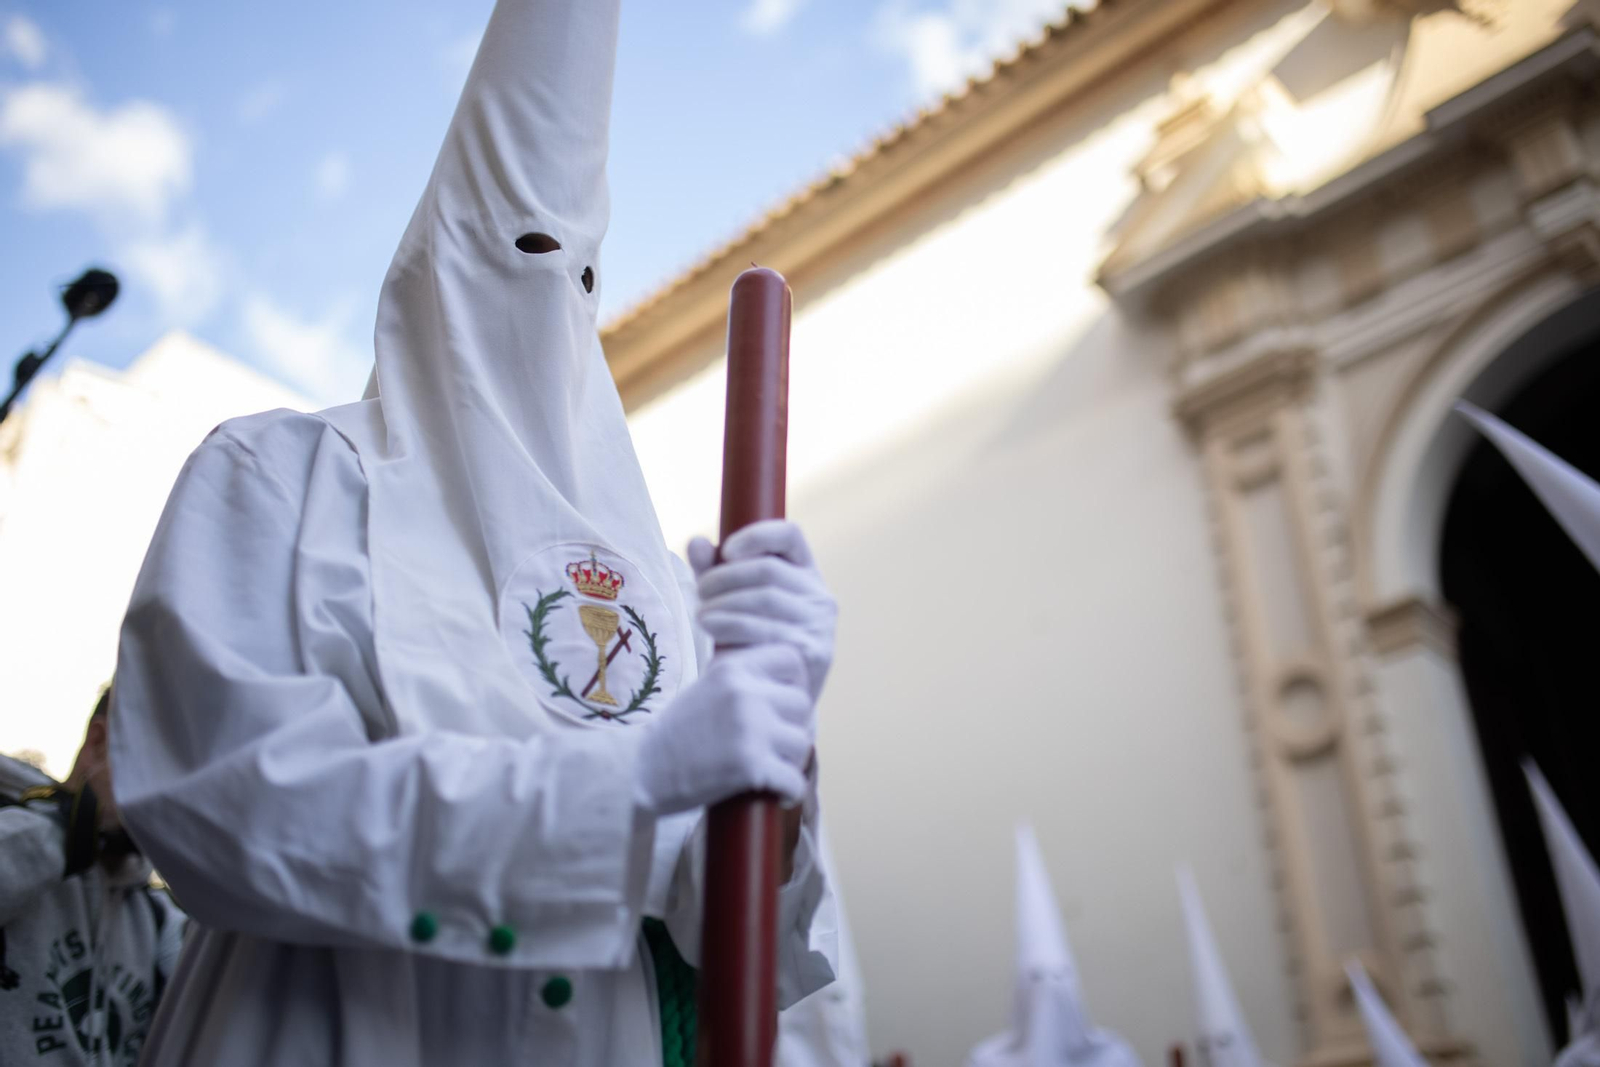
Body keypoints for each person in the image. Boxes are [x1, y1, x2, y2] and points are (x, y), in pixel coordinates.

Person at [108, 0, 839, 1063]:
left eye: (577, 275)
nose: (541, 291)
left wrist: (783, 749)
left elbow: (743, 952)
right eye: (515, 247)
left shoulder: (664, 588)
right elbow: (228, 804)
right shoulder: (281, 474)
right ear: (431, 269)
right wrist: (621, 785)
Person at [0, 691, 185, 1066]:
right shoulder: (17, 834)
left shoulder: (152, 915)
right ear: (100, 742)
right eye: (163, 762)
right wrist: (76, 824)